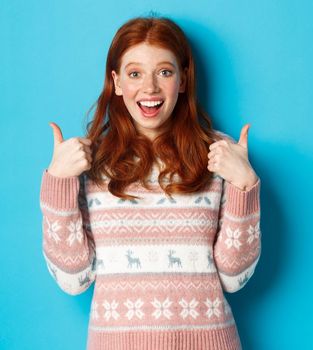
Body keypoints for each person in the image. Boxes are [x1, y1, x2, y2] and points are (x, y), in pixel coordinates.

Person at [39, 15, 261, 350]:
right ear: (116, 82)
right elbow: (74, 280)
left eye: (165, 72)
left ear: (183, 80)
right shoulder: (88, 162)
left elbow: (233, 278)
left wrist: (245, 185)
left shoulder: (218, 155)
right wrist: (58, 183)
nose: (150, 87)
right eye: (135, 73)